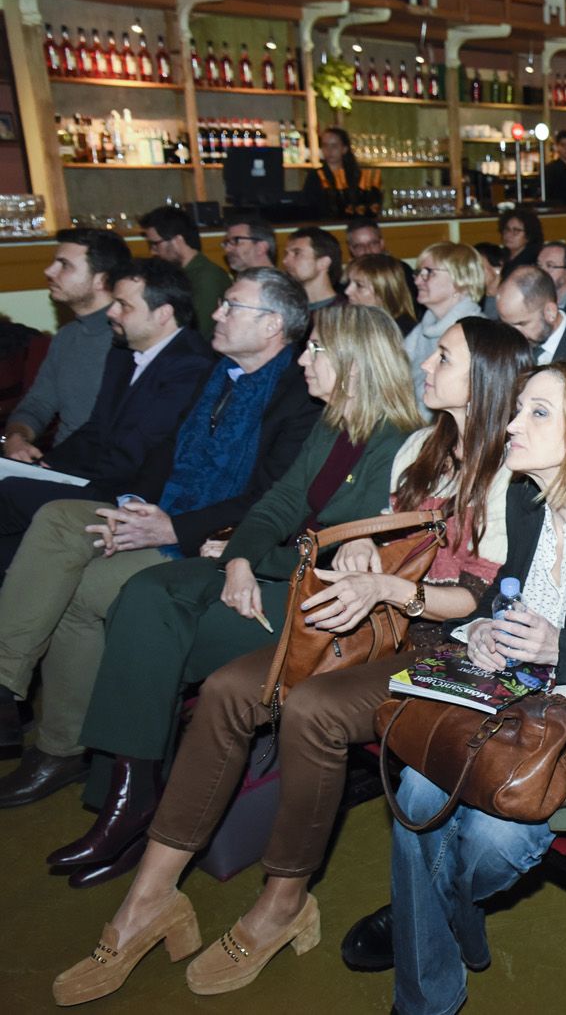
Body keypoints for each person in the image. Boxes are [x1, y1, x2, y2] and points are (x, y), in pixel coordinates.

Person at [49, 318, 530, 1004]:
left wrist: (386, 581)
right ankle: (146, 900)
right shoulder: (421, 448)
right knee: (226, 689)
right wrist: (362, 550)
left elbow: (476, 597)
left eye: (443, 356)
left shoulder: (508, 474)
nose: (425, 363)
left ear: (480, 377)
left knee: (309, 708)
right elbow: (386, 541)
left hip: (445, 646)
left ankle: (284, 898)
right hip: (377, 624)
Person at [341, 360, 566, 1015]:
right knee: (419, 789)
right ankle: (428, 995)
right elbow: (510, 594)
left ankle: (424, 913)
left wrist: (562, 647)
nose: (511, 423)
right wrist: (485, 628)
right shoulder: (524, 498)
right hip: (511, 690)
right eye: (518, 409)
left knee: (494, 839)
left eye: (536, 411)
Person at [52, 305, 421, 885]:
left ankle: (126, 800)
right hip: (271, 570)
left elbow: (332, 554)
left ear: (353, 362)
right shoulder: (332, 425)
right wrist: (241, 558)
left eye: (315, 349)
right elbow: (275, 504)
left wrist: (247, 561)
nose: (302, 359)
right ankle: (134, 787)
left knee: (153, 631)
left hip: (317, 603)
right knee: (145, 591)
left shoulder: (398, 440)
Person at [0, 269, 321, 809]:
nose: (215, 314)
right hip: (165, 512)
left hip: (216, 540)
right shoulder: (219, 374)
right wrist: (132, 509)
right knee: (57, 516)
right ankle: (6, 686)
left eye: (231, 306)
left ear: (272, 326)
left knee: (87, 593)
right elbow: (168, 453)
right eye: (220, 303)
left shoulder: (300, 393)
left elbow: (269, 500)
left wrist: (173, 527)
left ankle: (60, 749)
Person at [0, 260, 211, 572]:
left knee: (10, 493)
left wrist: (72, 482)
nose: (111, 313)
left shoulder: (191, 366)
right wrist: (50, 467)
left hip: (134, 495)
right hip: (100, 477)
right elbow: (96, 428)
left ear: (163, 313)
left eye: (123, 305)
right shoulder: (123, 352)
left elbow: (140, 451)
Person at [2, 229, 129, 461]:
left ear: (101, 279)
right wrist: (16, 438)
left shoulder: (129, 339)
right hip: (62, 464)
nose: (49, 271)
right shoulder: (67, 336)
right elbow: (38, 403)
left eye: (64, 265)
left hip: (102, 471)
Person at [405, 243, 486, 411]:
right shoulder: (424, 327)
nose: (418, 280)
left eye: (429, 273)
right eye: (418, 272)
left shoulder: (475, 334)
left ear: (460, 281)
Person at [139, 206, 231, 335]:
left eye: (155, 244)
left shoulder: (207, 277)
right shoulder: (180, 273)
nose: (152, 251)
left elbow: (200, 332)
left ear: (177, 241)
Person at [303, 127, 380, 219]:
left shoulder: (356, 174)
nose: (329, 150)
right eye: (325, 145)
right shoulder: (315, 175)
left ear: (344, 149)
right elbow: (308, 205)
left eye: (334, 146)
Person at [344, 253, 419, 335]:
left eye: (359, 285)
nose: (347, 291)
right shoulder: (357, 323)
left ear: (384, 292)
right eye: (349, 282)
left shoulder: (401, 333)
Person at [281, 227, 344, 312]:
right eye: (286, 254)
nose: (285, 261)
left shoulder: (346, 313)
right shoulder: (287, 310)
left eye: (297, 253)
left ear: (323, 263)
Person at [497, 205, 545, 279]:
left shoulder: (532, 262)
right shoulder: (500, 256)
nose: (509, 234)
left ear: (528, 236)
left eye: (516, 231)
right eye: (507, 229)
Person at [474, 243, 508, 317]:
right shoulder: (476, 297)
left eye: (479, 267)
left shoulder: (509, 299)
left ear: (498, 267)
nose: (474, 272)